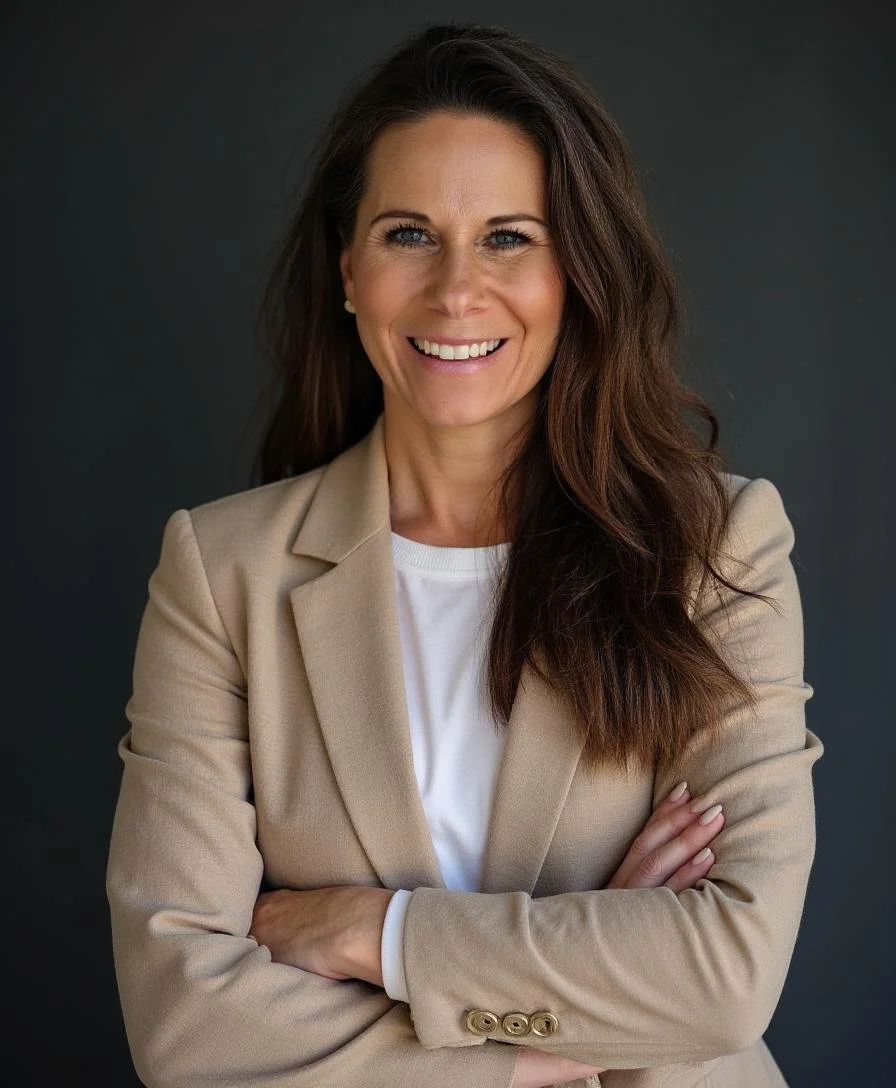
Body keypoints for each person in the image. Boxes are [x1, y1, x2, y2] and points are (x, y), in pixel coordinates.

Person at [106, 21, 823, 1088]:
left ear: (574, 271)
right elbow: (182, 1020)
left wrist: (377, 932)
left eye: (506, 236)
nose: (453, 290)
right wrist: (558, 1023)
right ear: (347, 267)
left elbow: (724, 974)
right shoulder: (220, 573)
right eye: (407, 233)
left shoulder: (712, 549)